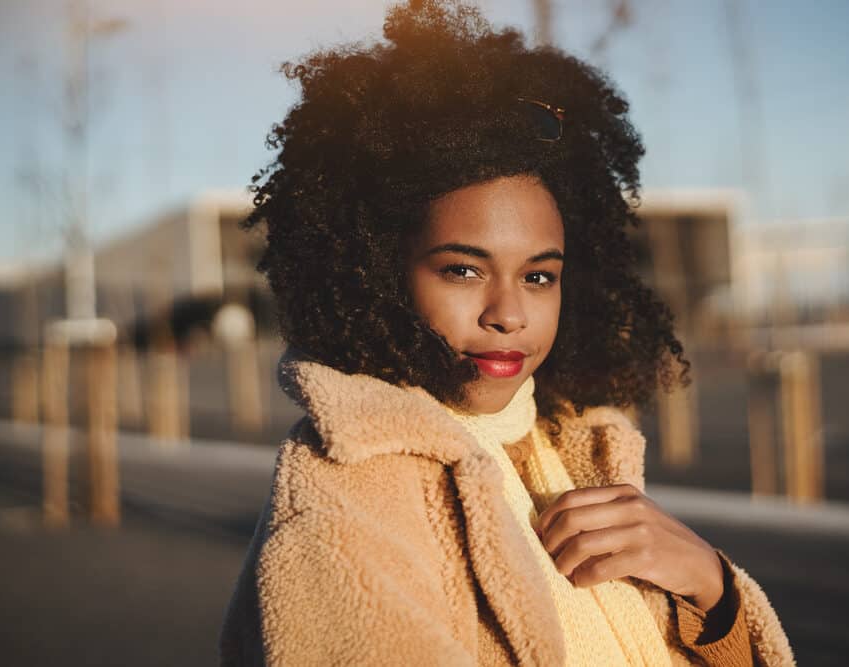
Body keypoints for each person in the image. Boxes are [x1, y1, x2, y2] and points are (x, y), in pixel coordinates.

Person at [220, 1, 794, 665]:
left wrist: (711, 590)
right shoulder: (340, 513)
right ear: (376, 272)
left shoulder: (574, 452)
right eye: (463, 269)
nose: (509, 313)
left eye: (539, 276)